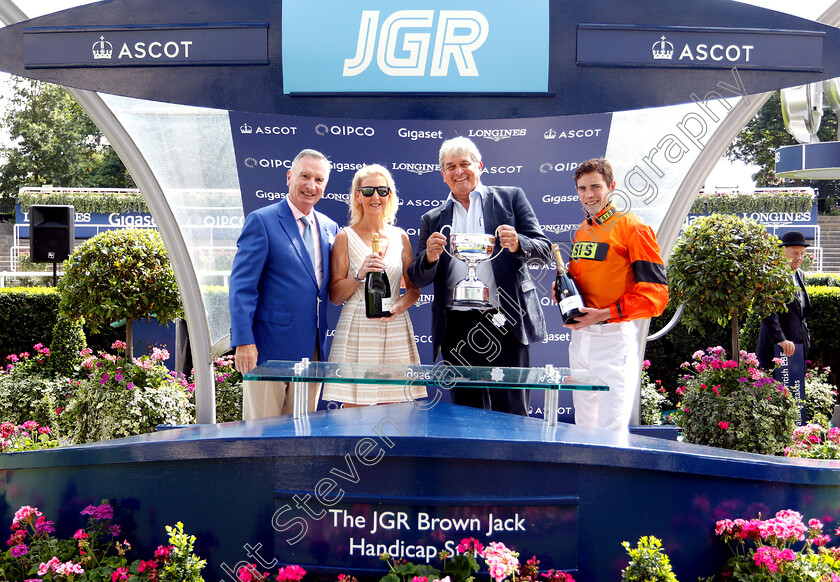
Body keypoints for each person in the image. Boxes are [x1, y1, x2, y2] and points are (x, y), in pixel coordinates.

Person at [408, 136, 551, 416]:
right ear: (443, 175)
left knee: (511, 412)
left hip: (505, 320)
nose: (458, 171)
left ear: (479, 166)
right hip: (456, 327)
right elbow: (418, 278)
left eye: (465, 164)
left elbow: (545, 251)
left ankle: (511, 459)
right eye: (451, 166)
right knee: (465, 414)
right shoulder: (432, 218)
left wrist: (520, 243)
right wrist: (429, 257)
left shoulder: (511, 198)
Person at [229, 149, 339, 419]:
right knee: (261, 435)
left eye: (319, 179)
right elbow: (242, 287)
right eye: (304, 176)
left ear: (325, 185)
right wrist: (243, 342)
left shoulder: (329, 227)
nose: (311, 186)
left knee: (301, 436)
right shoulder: (262, 221)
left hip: (313, 353)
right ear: (289, 177)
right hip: (268, 352)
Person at [560, 158, 668, 431]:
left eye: (595, 186)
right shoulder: (583, 231)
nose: (589, 195)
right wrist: (562, 293)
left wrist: (606, 313)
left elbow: (656, 295)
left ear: (612, 187)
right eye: (582, 189)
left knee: (611, 428)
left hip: (613, 339)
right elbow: (582, 284)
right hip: (580, 339)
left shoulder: (633, 227)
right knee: (584, 425)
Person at [325, 164, 425, 406]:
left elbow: (413, 290)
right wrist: (359, 274)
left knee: (396, 411)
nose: (375, 197)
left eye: (382, 190)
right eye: (368, 190)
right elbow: (336, 296)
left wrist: (398, 307)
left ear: (390, 195)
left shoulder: (401, 236)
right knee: (352, 413)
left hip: (394, 325)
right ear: (357, 195)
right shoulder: (344, 237)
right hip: (357, 325)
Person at [756, 230, 811, 370]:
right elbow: (767, 310)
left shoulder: (800, 274)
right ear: (782, 253)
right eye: (795, 253)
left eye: (802, 253)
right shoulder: (770, 275)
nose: (799, 257)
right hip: (776, 348)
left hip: (797, 348)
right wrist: (780, 339)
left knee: (796, 389)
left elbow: (800, 311)